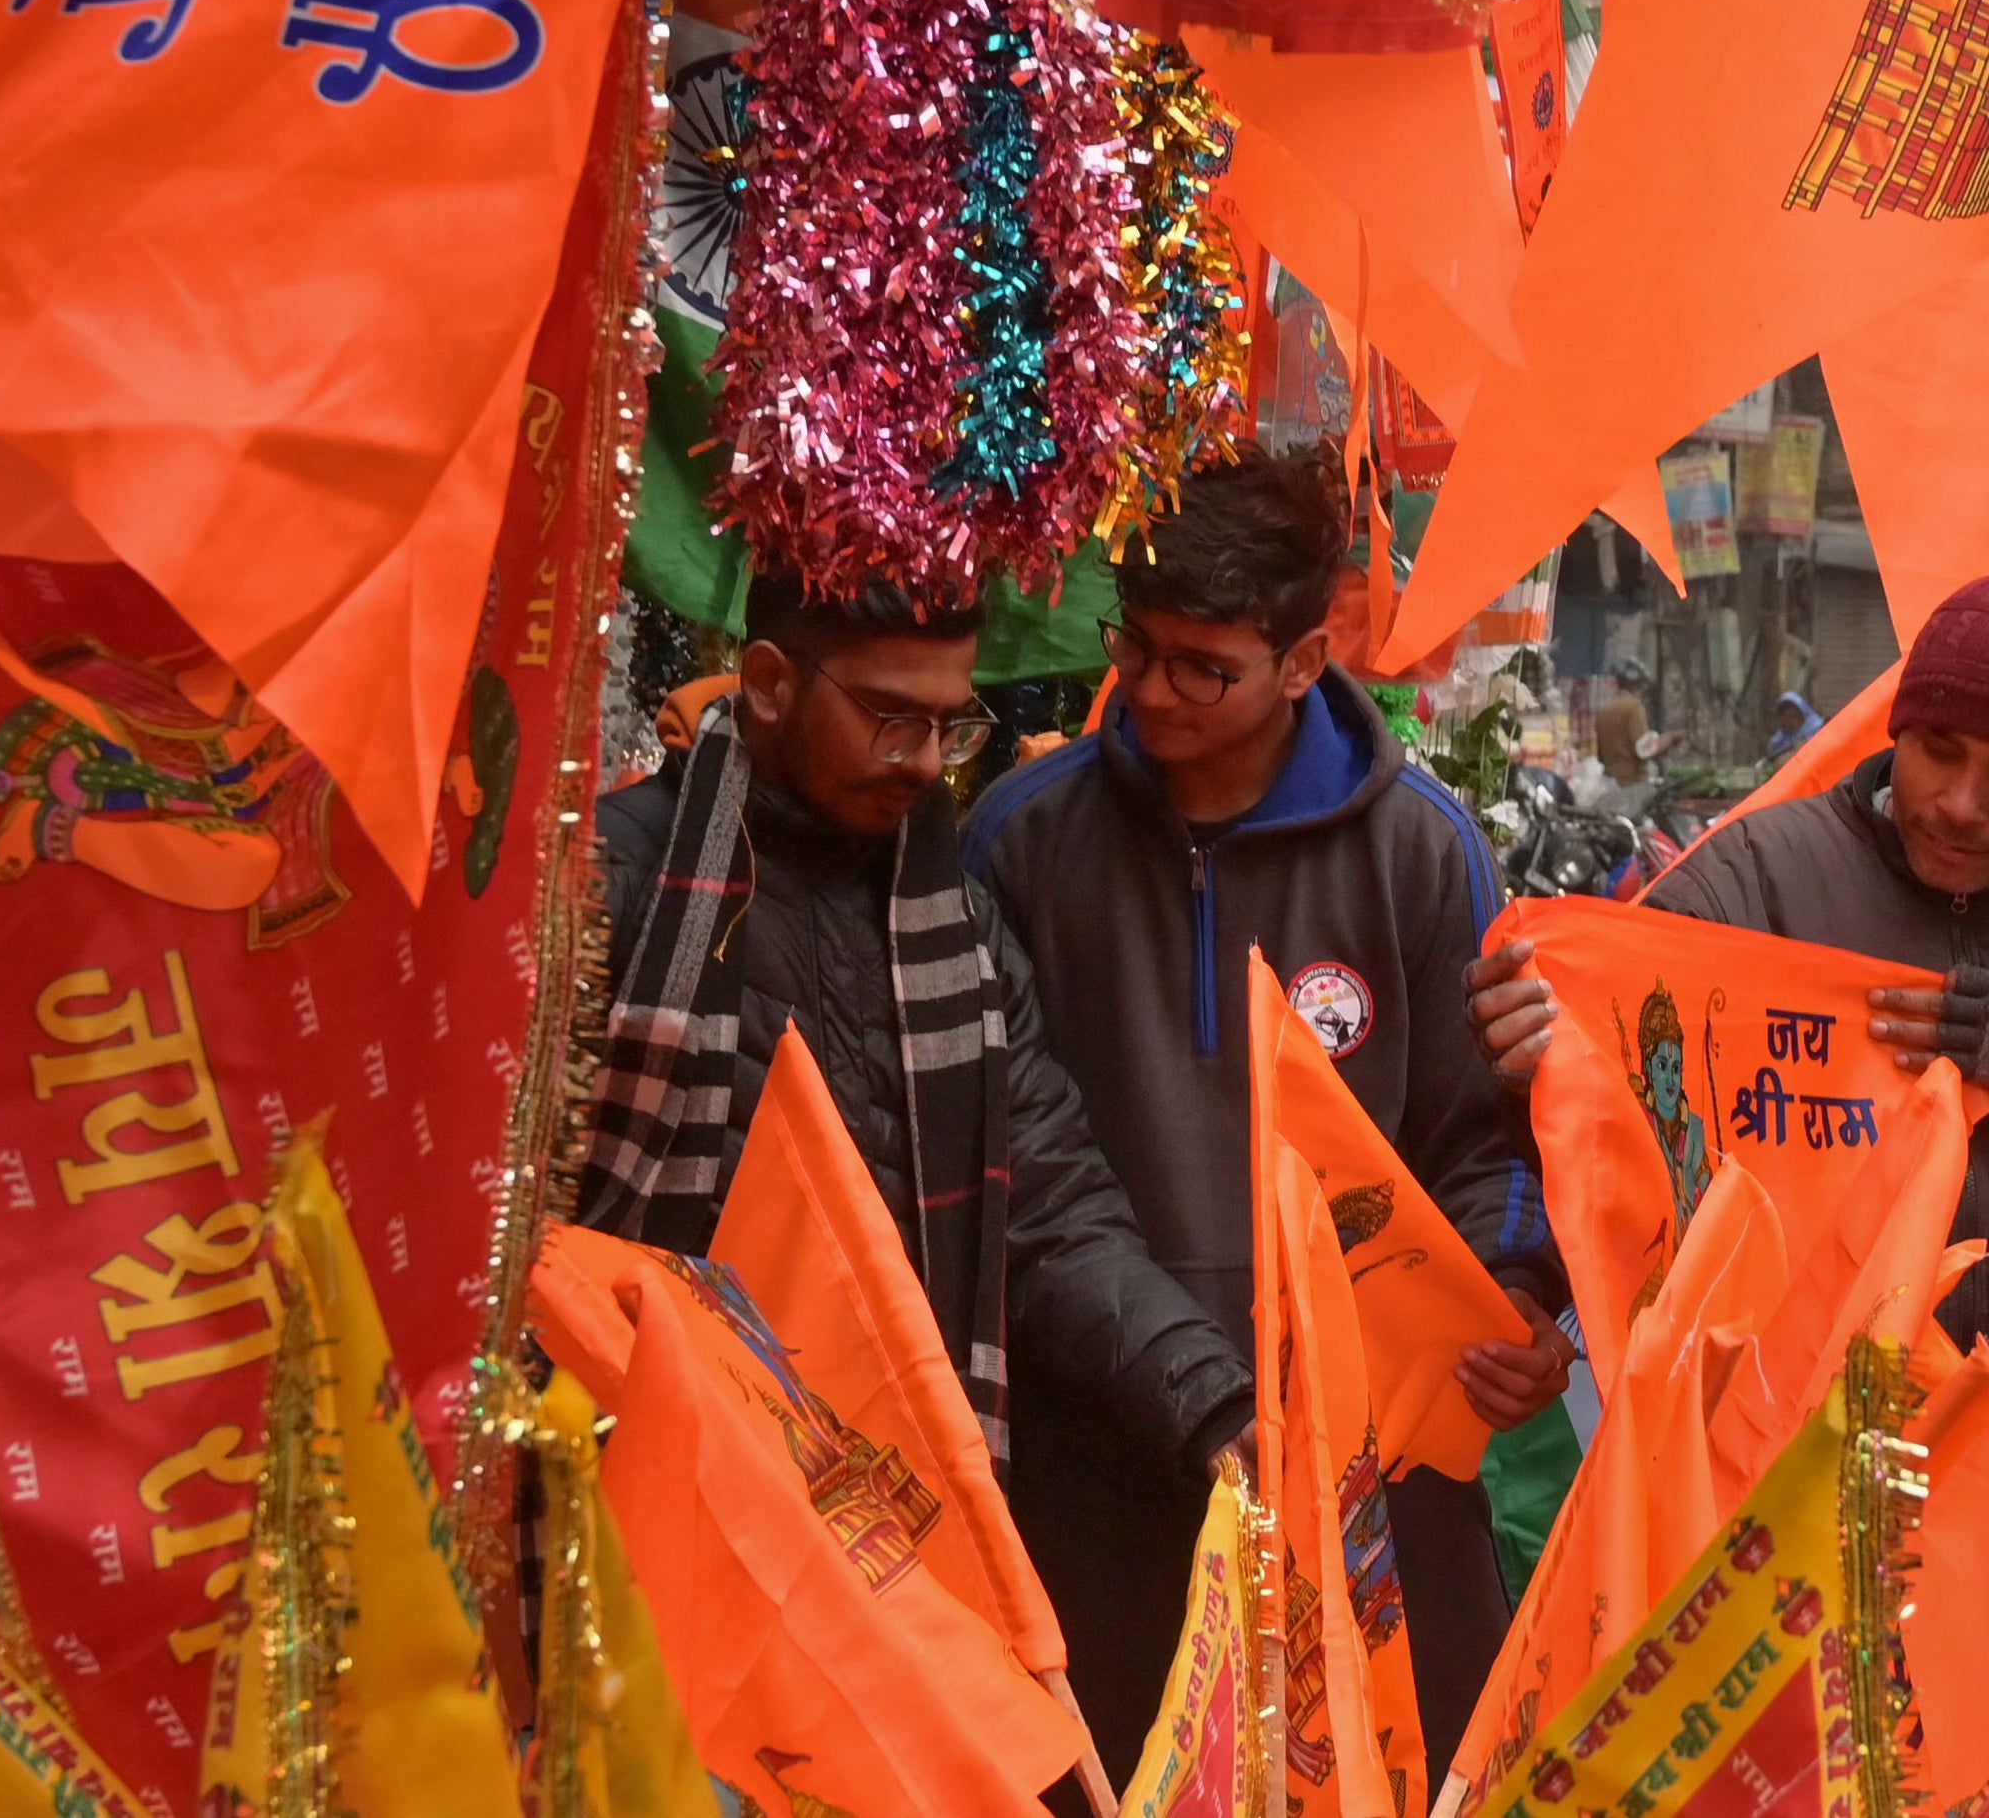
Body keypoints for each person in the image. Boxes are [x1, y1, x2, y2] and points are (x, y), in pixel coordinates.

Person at [963, 452, 1566, 1770]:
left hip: (1372, 1477)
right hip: (1102, 1472)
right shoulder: (1018, 839)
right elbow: (1020, 1177)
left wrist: (1513, 1296)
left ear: (1300, 662)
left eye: (1203, 666)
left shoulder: (1420, 846)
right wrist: (1205, 1400)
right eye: (1137, 647)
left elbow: (1485, 1136)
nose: (1152, 690)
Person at [579, 563, 1249, 1680]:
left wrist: (1208, 1398)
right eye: (894, 717)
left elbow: (1051, 1203)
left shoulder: (957, 916)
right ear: (769, 681)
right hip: (661, 1510)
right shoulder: (623, 881)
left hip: (894, 1529)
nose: (929, 761)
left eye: (951, 723)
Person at [1469, 570, 1989, 1354]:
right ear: (1900, 732)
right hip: (1780, 1437)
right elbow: (1609, 1149)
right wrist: (1524, 1071)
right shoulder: (1747, 887)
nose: (1960, 804)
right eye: (1941, 752)